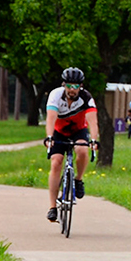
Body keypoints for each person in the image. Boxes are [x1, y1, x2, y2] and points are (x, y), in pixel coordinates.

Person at [43, 68, 98, 221]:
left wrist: (94, 140)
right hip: (59, 131)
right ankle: (52, 207)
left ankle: (78, 180)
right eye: (69, 86)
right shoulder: (55, 95)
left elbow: (93, 121)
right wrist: (49, 137)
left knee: (82, 150)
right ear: (64, 85)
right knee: (56, 162)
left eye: (75, 86)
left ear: (81, 86)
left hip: (78, 130)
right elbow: (51, 118)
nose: (72, 90)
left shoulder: (86, 97)